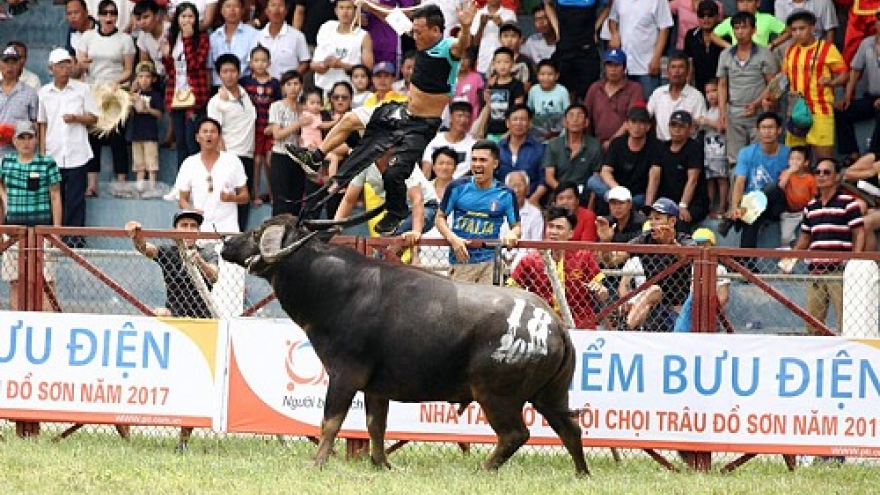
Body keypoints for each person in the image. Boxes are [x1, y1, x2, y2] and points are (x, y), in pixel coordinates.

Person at [289, 3, 477, 235]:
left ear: (436, 31)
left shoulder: (448, 48)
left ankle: (396, 212)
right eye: (414, 31)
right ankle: (315, 157)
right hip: (402, 110)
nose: (414, 36)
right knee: (349, 119)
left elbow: (463, 44)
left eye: (419, 32)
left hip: (421, 125)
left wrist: (466, 27)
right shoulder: (421, 38)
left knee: (394, 173)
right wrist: (367, 4)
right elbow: (393, 18)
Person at [124, 209, 219, 452]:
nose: (188, 230)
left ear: (198, 232)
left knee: (194, 382)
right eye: (183, 225)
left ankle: (184, 440)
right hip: (174, 322)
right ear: (174, 229)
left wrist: (196, 260)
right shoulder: (168, 251)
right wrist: (136, 235)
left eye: (192, 226)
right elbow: (147, 249)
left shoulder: (207, 252)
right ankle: (126, 419)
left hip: (202, 325)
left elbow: (215, 276)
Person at [788, 158, 865, 335]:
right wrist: (790, 259)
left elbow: (859, 232)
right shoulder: (810, 207)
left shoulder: (848, 202)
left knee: (846, 321)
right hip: (815, 271)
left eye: (827, 172)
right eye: (818, 172)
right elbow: (805, 238)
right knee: (812, 323)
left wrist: (855, 261)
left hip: (839, 271)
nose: (821, 176)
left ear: (837, 176)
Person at [507, 206, 608, 329]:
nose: (553, 232)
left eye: (559, 228)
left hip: (581, 323)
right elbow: (510, 291)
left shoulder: (584, 257)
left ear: (570, 233)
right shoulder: (530, 260)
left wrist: (600, 290)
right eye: (551, 226)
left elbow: (603, 295)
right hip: (541, 322)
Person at [715, 11, 778, 207]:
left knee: (759, 159)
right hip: (734, 113)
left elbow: (773, 83)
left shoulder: (765, 54)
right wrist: (722, 113)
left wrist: (758, 103)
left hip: (759, 116)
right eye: (737, 28)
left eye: (744, 27)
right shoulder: (725, 55)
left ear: (753, 30)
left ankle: (760, 205)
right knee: (735, 161)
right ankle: (737, 205)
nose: (740, 32)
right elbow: (722, 85)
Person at [435, 139, 520, 284]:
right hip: (461, 261)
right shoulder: (456, 187)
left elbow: (516, 226)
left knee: (491, 306)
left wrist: (512, 234)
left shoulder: (506, 193)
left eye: (483, 160)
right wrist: (452, 239)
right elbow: (439, 218)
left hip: (491, 263)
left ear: (495, 164)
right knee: (460, 306)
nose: (477, 164)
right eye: (474, 160)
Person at [38, 48, 98, 243]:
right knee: (52, 197)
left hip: (76, 151)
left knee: (75, 199)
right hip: (53, 152)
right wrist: (41, 153)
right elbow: (42, 123)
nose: (65, 69)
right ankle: (53, 237)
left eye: (67, 65)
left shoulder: (82, 89)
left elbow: (94, 117)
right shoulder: (44, 93)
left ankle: (74, 239)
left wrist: (77, 118)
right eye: (60, 66)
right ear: (51, 69)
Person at [0, 121, 62, 310]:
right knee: (15, 281)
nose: (26, 142)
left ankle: (49, 325)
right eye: (22, 137)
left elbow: (56, 196)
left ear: (36, 139)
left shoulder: (47, 163)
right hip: (13, 232)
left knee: (46, 282)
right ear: (14, 140)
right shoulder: (7, 162)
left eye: (30, 137)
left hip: (41, 230)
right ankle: (17, 322)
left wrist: (57, 231)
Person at [77, 0, 135, 195]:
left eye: (112, 13)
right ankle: (92, 184)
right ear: (99, 15)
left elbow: (129, 69)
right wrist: (83, 64)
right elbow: (80, 65)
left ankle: (121, 184)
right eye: (105, 13)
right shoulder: (88, 36)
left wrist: (115, 82)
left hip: (116, 92)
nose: (109, 18)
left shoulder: (124, 39)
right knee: (93, 137)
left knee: (117, 137)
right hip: (94, 91)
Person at [774, 10, 848, 162]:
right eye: (794, 30)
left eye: (802, 28)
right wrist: (770, 96)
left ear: (813, 28)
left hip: (821, 111)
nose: (797, 33)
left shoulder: (827, 48)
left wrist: (832, 82)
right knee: (796, 161)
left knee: (824, 160)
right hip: (796, 113)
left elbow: (844, 74)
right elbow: (783, 78)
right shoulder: (790, 51)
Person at [618, 198, 697, 331]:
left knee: (655, 290)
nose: (653, 223)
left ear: (672, 221)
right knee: (653, 291)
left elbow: (687, 257)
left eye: (658, 218)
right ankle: (627, 328)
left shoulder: (685, 239)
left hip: (678, 308)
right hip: (651, 307)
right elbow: (616, 258)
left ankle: (625, 328)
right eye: (651, 219)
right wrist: (606, 241)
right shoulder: (645, 238)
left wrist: (671, 244)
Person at [720, 112, 789, 250]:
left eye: (771, 128)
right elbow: (740, 182)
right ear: (758, 131)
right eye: (763, 128)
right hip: (753, 207)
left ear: (779, 130)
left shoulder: (788, 153)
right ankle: (746, 262)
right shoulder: (746, 152)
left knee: (772, 187)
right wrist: (734, 207)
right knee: (753, 215)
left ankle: (735, 220)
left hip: (776, 205)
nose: (767, 132)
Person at [207, 54, 256, 231]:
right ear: (219, 75)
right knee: (228, 206)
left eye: (233, 71)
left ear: (239, 72)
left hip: (247, 155)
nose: (229, 75)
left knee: (243, 204)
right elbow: (214, 133)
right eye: (225, 71)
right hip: (230, 157)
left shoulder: (245, 94)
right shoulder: (216, 102)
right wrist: (226, 159)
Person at [175, 117, 250, 233]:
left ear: (219, 137)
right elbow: (182, 200)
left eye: (213, 131)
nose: (208, 135)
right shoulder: (189, 163)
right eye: (205, 131)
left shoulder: (233, 161)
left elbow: (245, 196)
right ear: (197, 137)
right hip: (200, 230)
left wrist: (232, 198)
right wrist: (193, 211)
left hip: (228, 229)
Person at [161, 2, 211, 167]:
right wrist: (166, 56)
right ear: (177, 19)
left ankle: (197, 180)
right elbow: (170, 70)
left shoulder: (202, 38)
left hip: (195, 95)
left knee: (192, 141)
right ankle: (183, 183)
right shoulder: (172, 37)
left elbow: (196, 64)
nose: (187, 20)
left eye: (191, 16)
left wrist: (189, 39)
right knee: (180, 142)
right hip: (176, 95)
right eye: (183, 16)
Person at [646, 110, 710, 232]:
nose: (677, 129)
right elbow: (654, 178)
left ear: (690, 129)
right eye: (673, 125)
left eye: (681, 126)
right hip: (666, 201)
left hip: (693, 202)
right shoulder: (661, 148)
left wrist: (683, 205)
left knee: (680, 222)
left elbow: (693, 179)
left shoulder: (694, 148)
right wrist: (649, 206)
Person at [590, 103, 660, 209]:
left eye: (642, 123)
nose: (637, 127)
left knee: (640, 200)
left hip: (637, 194)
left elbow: (654, 177)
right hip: (616, 188)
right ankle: (619, 202)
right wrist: (620, 192)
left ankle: (618, 203)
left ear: (648, 127)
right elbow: (605, 171)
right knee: (593, 181)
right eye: (633, 122)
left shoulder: (655, 146)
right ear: (626, 124)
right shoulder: (617, 143)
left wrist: (648, 206)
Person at [835, 11, 880, 165]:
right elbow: (855, 70)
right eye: (879, 21)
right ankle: (852, 153)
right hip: (871, 96)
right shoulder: (867, 43)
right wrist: (847, 96)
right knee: (842, 111)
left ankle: (873, 157)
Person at [542, 0, 608, 103]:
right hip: (565, 45)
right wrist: (557, 29)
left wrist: (594, 29)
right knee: (566, 91)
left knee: (589, 92)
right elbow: (547, 3)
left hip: (586, 45)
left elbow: (608, 5)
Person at [240, 45, 282, 207]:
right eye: (256, 60)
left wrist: (273, 125)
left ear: (269, 63)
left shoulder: (274, 83)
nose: (260, 64)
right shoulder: (245, 82)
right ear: (250, 63)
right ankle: (255, 193)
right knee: (256, 161)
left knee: (270, 161)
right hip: (253, 127)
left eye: (263, 60)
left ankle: (273, 194)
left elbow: (278, 106)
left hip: (270, 127)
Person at [607, 0, 673, 99]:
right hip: (624, 66)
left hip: (647, 65)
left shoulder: (658, 1)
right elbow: (612, 19)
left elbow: (664, 29)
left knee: (647, 105)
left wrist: (656, 57)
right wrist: (614, 33)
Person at [583, 48, 644, 153]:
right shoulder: (595, 88)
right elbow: (586, 116)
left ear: (624, 68)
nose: (613, 69)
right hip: (597, 146)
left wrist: (612, 142)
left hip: (626, 145)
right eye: (609, 65)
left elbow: (633, 120)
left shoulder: (634, 88)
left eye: (617, 65)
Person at [267, 70, 308, 217]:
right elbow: (277, 134)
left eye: (296, 83)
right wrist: (298, 123)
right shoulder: (277, 106)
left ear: (301, 86)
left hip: (298, 159)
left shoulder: (303, 108)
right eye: (288, 84)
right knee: (281, 202)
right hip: (281, 156)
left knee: (296, 201)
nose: (293, 87)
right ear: (283, 87)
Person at [672, 228, 731, 332]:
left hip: (710, 310)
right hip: (685, 309)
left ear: (712, 246)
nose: (701, 248)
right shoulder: (686, 267)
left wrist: (705, 308)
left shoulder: (719, 269)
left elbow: (723, 296)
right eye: (698, 244)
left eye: (705, 244)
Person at [311, 0, 374, 95]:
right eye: (341, 8)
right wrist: (324, 65)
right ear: (336, 11)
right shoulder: (326, 28)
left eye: (349, 8)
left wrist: (342, 65)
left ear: (355, 11)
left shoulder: (363, 36)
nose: (345, 12)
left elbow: (368, 69)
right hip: (323, 88)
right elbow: (313, 64)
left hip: (350, 91)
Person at [646, 52, 706, 142]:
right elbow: (646, 116)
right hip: (661, 146)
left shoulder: (696, 96)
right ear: (667, 71)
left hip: (687, 145)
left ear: (687, 71)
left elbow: (700, 126)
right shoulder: (658, 93)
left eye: (681, 67)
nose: (676, 71)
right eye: (673, 67)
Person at [542, 104, 602, 193]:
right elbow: (549, 177)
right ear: (564, 122)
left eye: (579, 116)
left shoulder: (594, 145)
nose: (575, 119)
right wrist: (565, 192)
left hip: (584, 194)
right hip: (559, 193)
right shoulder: (553, 144)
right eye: (571, 115)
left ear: (586, 122)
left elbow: (596, 178)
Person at [497, 105, 546, 205]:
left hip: (530, 200)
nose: (519, 123)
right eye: (515, 119)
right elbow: (491, 178)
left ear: (529, 123)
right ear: (507, 123)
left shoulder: (539, 149)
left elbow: (543, 179)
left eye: (523, 119)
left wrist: (533, 199)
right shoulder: (497, 149)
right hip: (500, 200)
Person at [128, 62, 164, 197]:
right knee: (138, 163)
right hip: (136, 133)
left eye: (147, 76)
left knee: (151, 162)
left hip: (150, 134)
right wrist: (131, 100)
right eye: (141, 77)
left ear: (153, 79)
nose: (144, 80)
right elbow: (129, 113)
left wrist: (147, 109)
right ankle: (140, 186)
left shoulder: (155, 95)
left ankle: (152, 186)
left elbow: (160, 114)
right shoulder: (134, 95)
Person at [254, 0, 310, 80]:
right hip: (264, 86)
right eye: (273, 5)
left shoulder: (297, 36)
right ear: (267, 11)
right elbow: (251, 62)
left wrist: (290, 79)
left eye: (280, 6)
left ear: (286, 11)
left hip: (288, 87)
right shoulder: (257, 36)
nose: (276, 10)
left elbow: (304, 62)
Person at [208, 0, 259, 89]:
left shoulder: (253, 34)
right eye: (228, 6)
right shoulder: (213, 37)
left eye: (236, 6)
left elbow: (256, 65)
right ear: (222, 11)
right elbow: (209, 67)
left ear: (242, 10)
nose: (232, 10)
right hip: (218, 87)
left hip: (244, 86)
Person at [421, 100, 477, 179]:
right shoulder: (436, 139)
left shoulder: (473, 145)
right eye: (460, 116)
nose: (463, 120)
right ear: (451, 117)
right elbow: (427, 167)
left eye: (467, 117)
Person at [0, 45, 38, 156]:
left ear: (19, 65)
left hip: (21, 153)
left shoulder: (30, 93)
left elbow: (35, 124)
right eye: (6, 62)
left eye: (13, 63)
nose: (10, 67)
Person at [483, 47, 526, 141]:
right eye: (498, 62)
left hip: (509, 133)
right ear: (493, 64)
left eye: (506, 62)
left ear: (512, 64)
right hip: (491, 131)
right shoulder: (491, 84)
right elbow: (487, 109)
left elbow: (518, 110)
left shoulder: (517, 85)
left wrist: (509, 132)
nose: (502, 66)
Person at [777, 146, 817, 247]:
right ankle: (786, 258)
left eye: (798, 159)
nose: (794, 162)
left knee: (810, 234)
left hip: (805, 212)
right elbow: (780, 186)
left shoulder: (810, 179)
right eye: (792, 158)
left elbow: (814, 197)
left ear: (806, 162)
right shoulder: (786, 174)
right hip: (790, 213)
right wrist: (789, 172)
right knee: (785, 237)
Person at [683, 1, 723, 98]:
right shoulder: (691, 35)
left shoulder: (726, 35)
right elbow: (689, 63)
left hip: (722, 86)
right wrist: (686, 89)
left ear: (717, 16)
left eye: (710, 15)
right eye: (701, 15)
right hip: (699, 87)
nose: (706, 19)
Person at [701, 79, 728, 217]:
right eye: (707, 92)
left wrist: (705, 121)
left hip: (720, 150)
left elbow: (723, 127)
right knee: (710, 180)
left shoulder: (724, 109)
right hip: (708, 150)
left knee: (721, 179)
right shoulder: (709, 109)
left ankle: (722, 206)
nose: (711, 95)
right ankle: (710, 205)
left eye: (714, 91)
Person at [470, 0, 516, 75]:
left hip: (504, 66)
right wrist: (482, 25)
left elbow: (514, 40)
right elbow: (475, 43)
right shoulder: (479, 13)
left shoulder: (509, 14)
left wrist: (501, 24)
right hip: (483, 64)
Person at [527, 59, 569, 141]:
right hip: (538, 132)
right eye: (542, 74)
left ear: (557, 76)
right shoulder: (533, 90)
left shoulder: (562, 91)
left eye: (550, 74)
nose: (546, 77)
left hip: (558, 132)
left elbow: (567, 113)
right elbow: (529, 110)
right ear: (537, 75)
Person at [503, 170, 544, 241]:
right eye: (512, 186)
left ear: (527, 189)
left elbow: (537, 244)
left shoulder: (535, 214)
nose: (516, 190)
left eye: (519, 185)